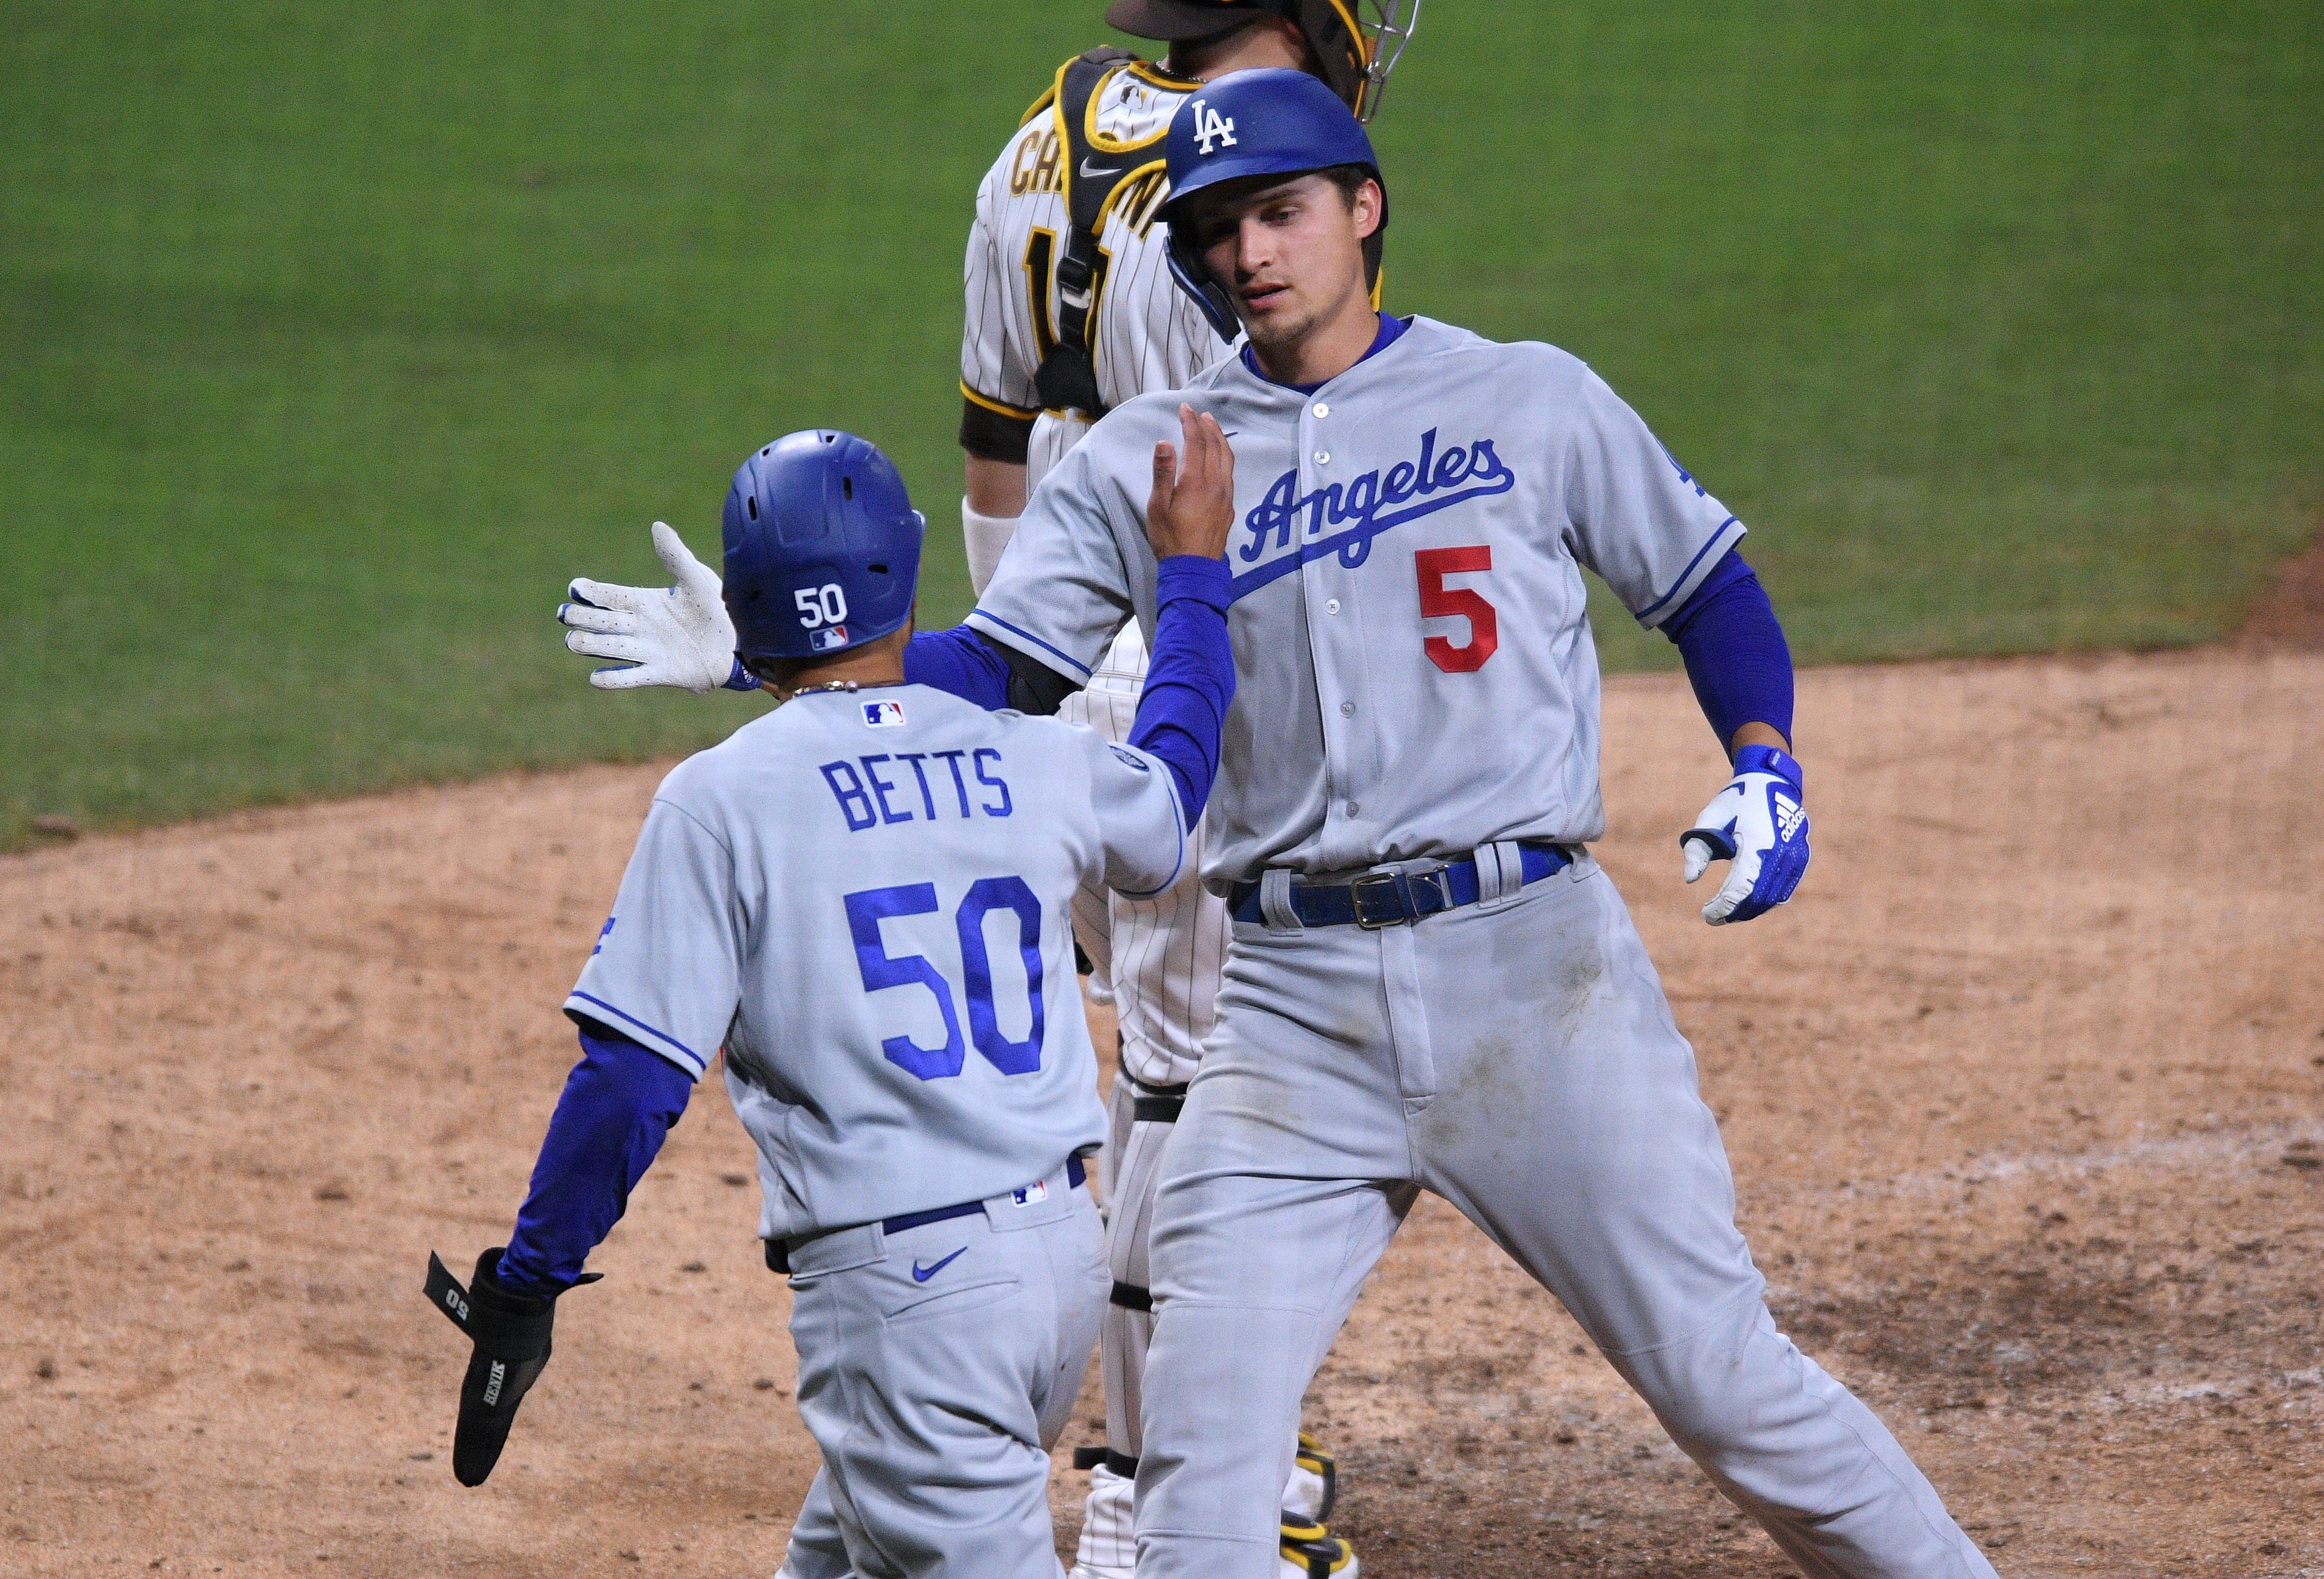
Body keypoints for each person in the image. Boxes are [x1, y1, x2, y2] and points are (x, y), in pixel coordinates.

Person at [954, 68, 1998, 1579]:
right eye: (1222, 229)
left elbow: (1704, 587)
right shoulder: (1154, 462)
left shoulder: (1526, 395)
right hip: (1289, 1019)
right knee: (1194, 1480)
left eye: (1282, 211)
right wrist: (783, 648)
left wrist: (1764, 760)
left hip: (1533, 979)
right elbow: (1001, 667)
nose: (1253, 251)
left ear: (1361, 209)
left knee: (1726, 1386)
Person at [558, 7, 1416, 1576]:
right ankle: (1161, 1493)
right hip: (1191, 651)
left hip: (1027, 650)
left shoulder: (1037, 137)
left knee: (1164, 1064)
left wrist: (951, 677)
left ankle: (1191, 1454)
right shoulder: (1257, 181)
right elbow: (1286, 467)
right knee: (1199, 1081)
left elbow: (991, 452)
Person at [424, 420, 1241, 1579]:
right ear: (907, 573)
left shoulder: (720, 802)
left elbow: (631, 1082)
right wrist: (1194, 575)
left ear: (745, 608)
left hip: (909, 1308)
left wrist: (530, 1276)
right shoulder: (1029, 751)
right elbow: (1168, 797)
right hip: (1064, 1268)